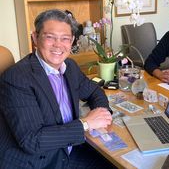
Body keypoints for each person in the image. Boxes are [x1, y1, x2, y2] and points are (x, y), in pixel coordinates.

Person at [0, 9, 116, 169]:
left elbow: (94, 91)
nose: (58, 45)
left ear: (72, 41)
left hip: (67, 149)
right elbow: (32, 141)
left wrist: (102, 114)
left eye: (65, 39)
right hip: (37, 162)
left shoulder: (70, 67)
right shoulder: (17, 78)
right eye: (50, 37)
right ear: (35, 37)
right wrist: (86, 124)